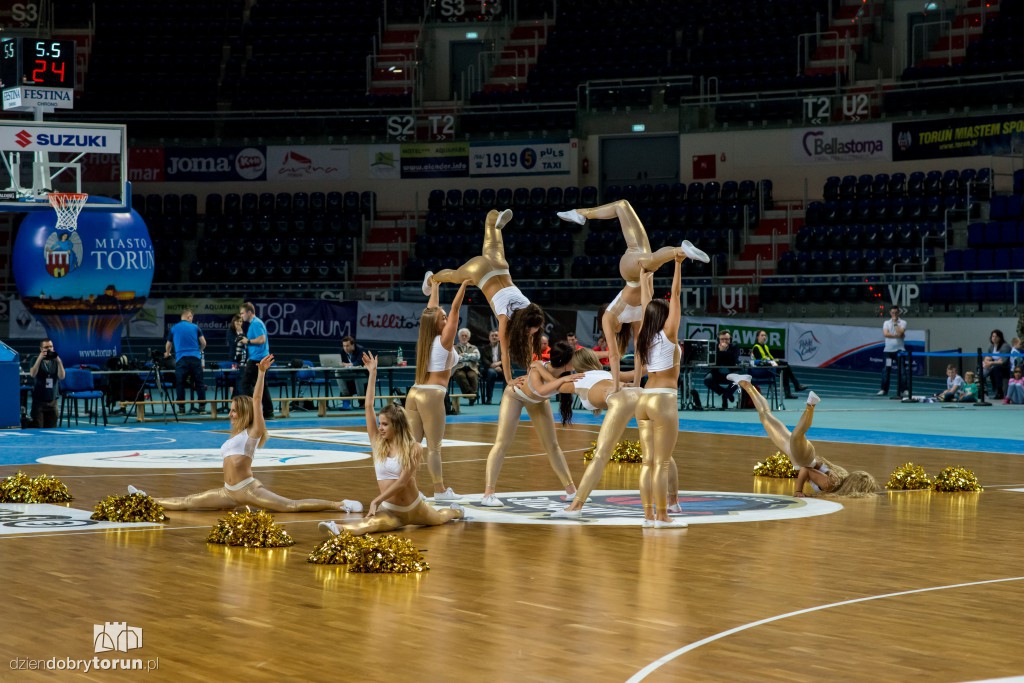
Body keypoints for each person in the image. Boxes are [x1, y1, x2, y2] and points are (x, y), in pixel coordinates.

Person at [133, 355, 362, 513]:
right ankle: (147, 499)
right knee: (187, 501)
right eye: (230, 410)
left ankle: (340, 505)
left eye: (233, 411)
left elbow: (256, 399)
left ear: (243, 412)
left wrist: (261, 374)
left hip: (249, 490)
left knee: (291, 506)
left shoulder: (253, 432)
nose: (230, 414)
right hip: (228, 492)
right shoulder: (234, 436)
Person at [559, 200, 710, 391]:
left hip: (630, 272)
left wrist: (616, 387)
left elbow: (614, 356)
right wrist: (637, 384)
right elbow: (640, 351)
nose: (611, 333)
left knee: (649, 254)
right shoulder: (638, 318)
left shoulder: (609, 316)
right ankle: (580, 213)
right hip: (642, 264)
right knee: (622, 206)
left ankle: (680, 251)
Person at [318, 352, 464, 537]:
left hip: (416, 507)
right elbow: (368, 406)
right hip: (392, 510)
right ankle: (337, 528)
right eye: (380, 423)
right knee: (369, 524)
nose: (380, 428)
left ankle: (457, 510)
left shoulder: (414, 447)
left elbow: (403, 482)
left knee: (442, 517)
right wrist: (372, 373)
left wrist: (375, 500)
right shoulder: (377, 443)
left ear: (397, 425)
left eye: (385, 424)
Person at [550, 348, 682, 520]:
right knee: (662, 454)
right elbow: (640, 371)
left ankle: (575, 507)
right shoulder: (609, 374)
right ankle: (673, 502)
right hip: (644, 394)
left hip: (622, 400)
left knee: (601, 455)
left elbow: (547, 388)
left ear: (576, 366)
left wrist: (540, 370)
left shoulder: (577, 380)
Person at [428, 208, 545, 388]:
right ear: (524, 324)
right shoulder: (505, 317)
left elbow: (529, 346)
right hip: (481, 273)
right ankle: (432, 278)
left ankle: (494, 216)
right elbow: (505, 353)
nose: (531, 335)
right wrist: (509, 380)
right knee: (454, 276)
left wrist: (530, 373)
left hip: (500, 267)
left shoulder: (529, 308)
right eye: (531, 332)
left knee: (493, 229)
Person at [729, 375, 878, 497]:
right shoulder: (830, 484)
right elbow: (805, 470)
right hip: (802, 459)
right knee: (796, 435)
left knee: (765, 416)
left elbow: (817, 466)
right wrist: (798, 491)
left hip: (801, 456)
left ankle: (747, 384)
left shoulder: (837, 480)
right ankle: (810, 406)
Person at [479, 341, 585, 507]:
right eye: (573, 360)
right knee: (502, 443)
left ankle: (572, 491)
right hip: (515, 396)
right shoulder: (538, 370)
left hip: (538, 402)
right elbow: (542, 389)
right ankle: (488, 494)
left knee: (552, 445)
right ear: (566, 363)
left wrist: (612, 355)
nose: (577, 363)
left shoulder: (566, 374)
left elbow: (591, 358)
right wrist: (560, 381)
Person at [632, 253, 687, 528]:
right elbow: (675, 294)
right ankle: (663, 516)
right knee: (662, 463)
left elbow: (646, 303)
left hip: (643, 399)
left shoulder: (645, 332)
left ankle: (648, 516)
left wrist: (644, 276)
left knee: (647, 463)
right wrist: (677, 264)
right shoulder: (669, 333)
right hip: (664, 400)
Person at [408, 277, 470, 501]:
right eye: (442, 318)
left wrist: (434, 286)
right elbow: (455, 308)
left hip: (414, 393)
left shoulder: (425, 337)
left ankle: (411, 491)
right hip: (432, 395)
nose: (446, 319)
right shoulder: (445, 340)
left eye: (445, 318)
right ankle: (440, 490)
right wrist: (464, 284)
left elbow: (431, 310)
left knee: (414, 446)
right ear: (437, 324)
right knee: (434, 448)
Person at [165, 307, 207, 414]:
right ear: (189, 316)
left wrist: (168, 353)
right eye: (192, 317)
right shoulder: (195, 327)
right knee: (199, 383)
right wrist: (199, 351)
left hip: (181, 360)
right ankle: (202, 408)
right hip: (195, 359)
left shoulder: (174, 328)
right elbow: (204, 343)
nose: (192, 319)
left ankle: (181, 409)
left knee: (180, 383)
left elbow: (168, 345)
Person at [238, 301, 274, 419]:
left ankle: (253, 409)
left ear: (249, 312)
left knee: (245, 384)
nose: (241, 316)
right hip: (258, 358)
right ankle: (268, 412)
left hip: (257, 360)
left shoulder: (256, 324)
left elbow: (262, 339)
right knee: (261, 386)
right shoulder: (255, 323)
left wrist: (247, 341)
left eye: (242, 313)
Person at [749, 329, 808, 400]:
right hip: (763, 370)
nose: (764, 337)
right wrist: (774, 362)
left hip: (770, 366)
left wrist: (776, 361)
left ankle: (791, 391)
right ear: (757, 337)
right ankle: (794, 387)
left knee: (785, 366)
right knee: (785, 368)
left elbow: (770, 357)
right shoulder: (756, 347)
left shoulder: (765, 347)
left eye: (765, 335)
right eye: (762, 335)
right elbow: (761, 361)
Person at [29, 338, 65, 428]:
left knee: (52, 429)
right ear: (41, 349)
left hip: (53, 401)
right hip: (39, 401)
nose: (49, 349)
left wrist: (59, 362)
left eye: (51, 346)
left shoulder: (56, 361)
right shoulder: (34, 359)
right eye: (46, 347)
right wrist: (40, 358)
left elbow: (62, 376)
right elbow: (32, 374)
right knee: (38, 428)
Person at [704, 330, 740, 409]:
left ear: (730, 339)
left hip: (730, 374)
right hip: (717, 374)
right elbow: (714, 363)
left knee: (739, 381)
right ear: (718, 340)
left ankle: (725, 396)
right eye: (722, 339)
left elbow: (733, 361)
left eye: (727, 339)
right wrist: (720, 351)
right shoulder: (714, 347)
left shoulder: (735, 347)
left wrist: (723, 352)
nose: (724, 341)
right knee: (707, 380)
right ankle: (725, 393)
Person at [877, 306, 906, 397]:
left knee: (902, 371)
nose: (894, 314)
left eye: (896, 313)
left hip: (899, 351)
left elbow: (900, 332)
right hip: (888, 351)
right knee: (886, 370)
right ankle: (883, 389)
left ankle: (904, 390)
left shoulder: (903, 322)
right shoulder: (886, 323)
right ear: (890, 312)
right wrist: (897, 335)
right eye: (892, 313)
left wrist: (895, 323)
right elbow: (886, 334)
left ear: (898, 313)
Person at [452, 328, 481, 405]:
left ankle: (471, 396)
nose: (464, 337)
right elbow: (453, 358)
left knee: (472, 375)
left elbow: (477, 356)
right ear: (459, 337)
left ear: (468, 338)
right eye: (462, 336)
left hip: (471, 368)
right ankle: (472, 395)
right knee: (460, 375)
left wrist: (463, 355)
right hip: (458, 369)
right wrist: (469, 357)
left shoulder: (473, 347)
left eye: (466, 336)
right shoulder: (454, 347)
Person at [981, 329, 1011, 399]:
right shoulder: (991, 347)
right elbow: (988, 357)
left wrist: (992, 362)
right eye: (993, 336)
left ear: (1000, 337)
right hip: (993, 365)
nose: (994, 338)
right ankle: (983, 391)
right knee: (980, 370)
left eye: (996, 336)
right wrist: (988, 361)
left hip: (1004, 367)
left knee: (996, 369)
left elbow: (1004, 361)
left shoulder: (1005, 346)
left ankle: (999, 391)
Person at [339, 335, 364, 408]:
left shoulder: (360, 349)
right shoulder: (342, 351)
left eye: (347, 346)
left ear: (353, 345)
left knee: (357, 377)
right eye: (344, 346)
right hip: (348, 374)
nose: (345, 348)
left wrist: (347, 364)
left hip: (361, 374)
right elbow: (341, 363)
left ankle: (362, 402)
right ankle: (346, 399)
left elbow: (359, 362)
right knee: (337, 372)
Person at [480, 329, 503, 404]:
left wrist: (499, 364)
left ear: (499, 337)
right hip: (490, 370)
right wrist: (494, 366)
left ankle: (504, 398)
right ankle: (489, 398)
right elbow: (484, 360)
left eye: (496, 335)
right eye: (492, 336)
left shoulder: (504, 347)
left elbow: (508, 358)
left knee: (507, 374)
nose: (494, 337)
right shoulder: (484, 348)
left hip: (502, 369)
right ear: (489, 337)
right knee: (491, 372)